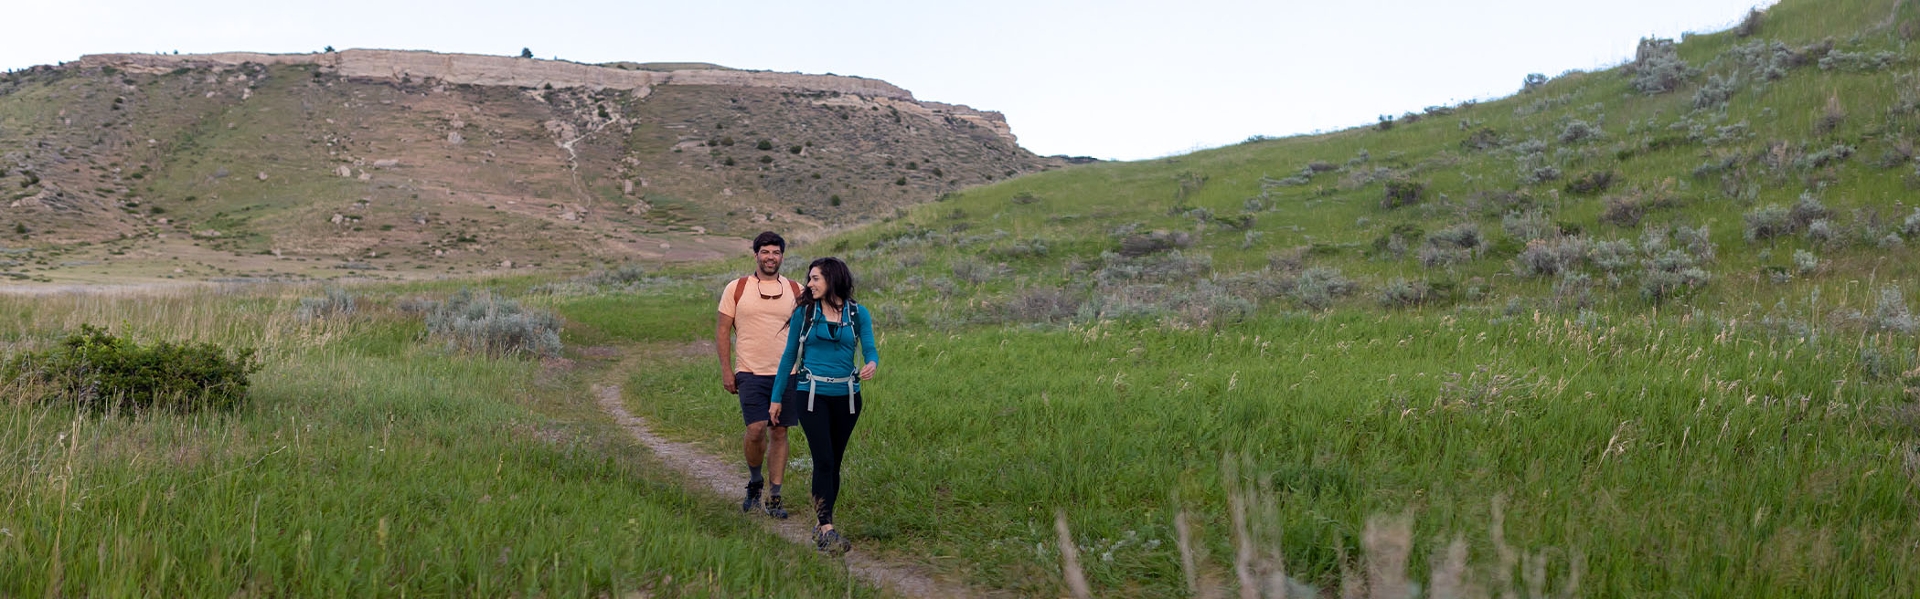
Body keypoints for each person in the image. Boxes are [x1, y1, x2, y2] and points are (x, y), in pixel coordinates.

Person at [769, 257, 877, 555]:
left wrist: (871, 364)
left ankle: (822, 522)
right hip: (811, 394)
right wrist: (777, 398)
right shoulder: (805, 313)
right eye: (809, 279)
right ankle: (827, 527)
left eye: (815, 278)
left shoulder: (858, 313)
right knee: (824, 459)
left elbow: (869, 347)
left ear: (832, 279)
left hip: (849, 396)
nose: (810, 284)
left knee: (835, 463)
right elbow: (788, 357)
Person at [715, 231, 803, 519]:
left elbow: (809, 329)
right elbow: (722, 331)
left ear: (782, 256)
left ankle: (775, 496)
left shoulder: (796, 290)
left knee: (779, 431)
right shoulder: (737, 288)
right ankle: (755, 481)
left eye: (776, 252)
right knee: (755, 430)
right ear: (756, 255)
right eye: (765, 252)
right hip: (750, 371)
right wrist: (727, 370)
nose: (770, 257)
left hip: (786, 374)